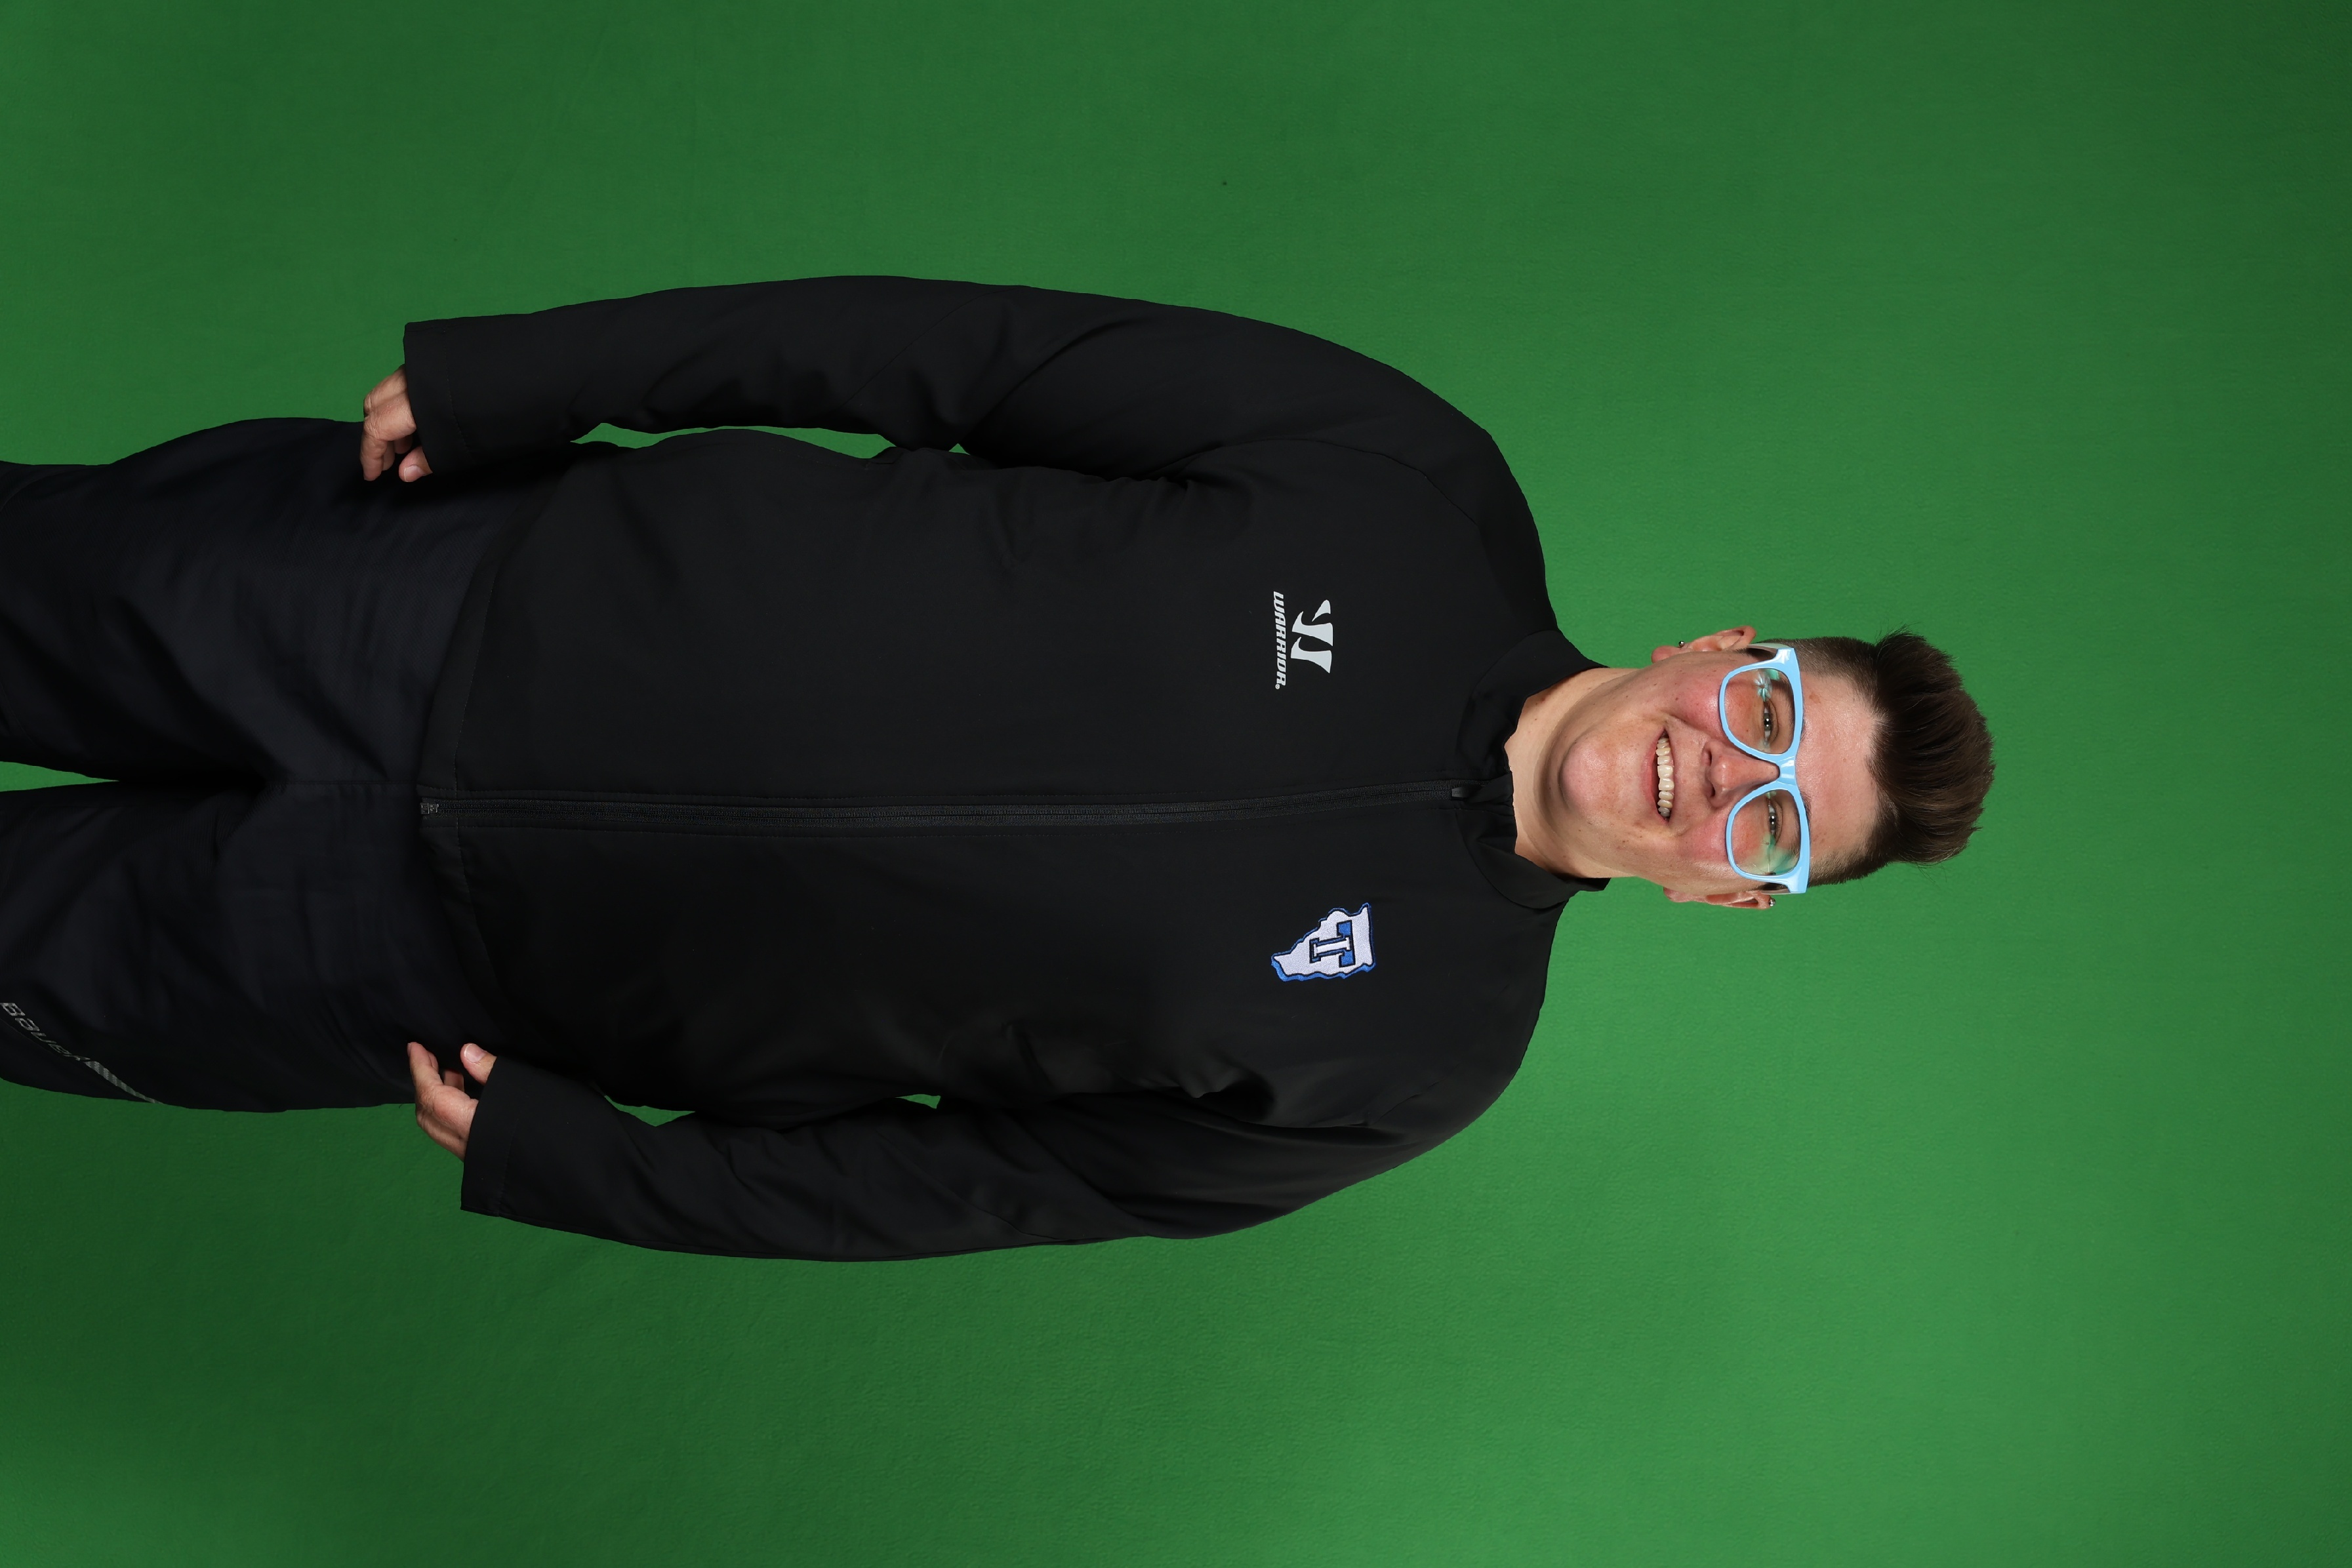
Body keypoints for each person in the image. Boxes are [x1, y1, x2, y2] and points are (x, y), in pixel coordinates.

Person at [0, 278, 1993, 1259]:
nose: (1713, 777)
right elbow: (958, 351)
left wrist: (599, 1172)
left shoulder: (1417, 1062)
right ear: (1718, 649)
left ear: (1731, 894)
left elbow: (972, 1184)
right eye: (1761, 718)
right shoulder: (1410, 487)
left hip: (439, 964)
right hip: (447, 594)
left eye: (1770, 826)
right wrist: (548, 376)